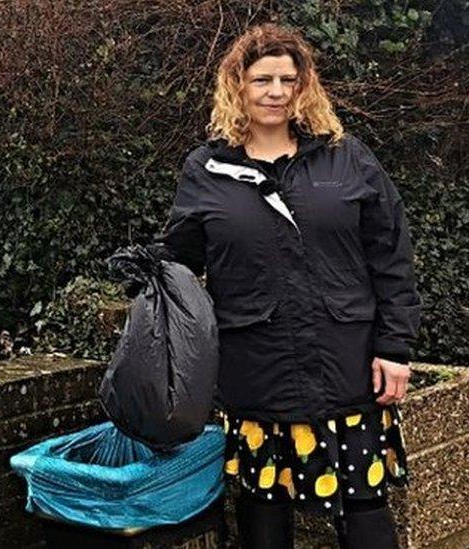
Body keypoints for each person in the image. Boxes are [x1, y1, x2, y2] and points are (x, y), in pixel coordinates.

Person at [150, 24, 421, 549]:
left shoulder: (346, 158)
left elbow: (391, 255)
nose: (276, 92)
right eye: (261, 80)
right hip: (257, 370)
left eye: (287, 80)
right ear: (237, 87)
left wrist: (395, 347)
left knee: (365, 511)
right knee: (263, 517)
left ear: (303, 87)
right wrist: (146, 270)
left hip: (347, 365)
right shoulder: (207, 170)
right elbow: (182, 261)